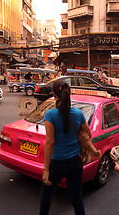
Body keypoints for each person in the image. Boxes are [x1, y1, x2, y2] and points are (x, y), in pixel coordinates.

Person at [40, 80, 89, 215]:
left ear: (54, 95)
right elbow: (88, 134)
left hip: (56, 164)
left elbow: (50, 142)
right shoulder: (78, 113)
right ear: (69, 93)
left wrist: (45, 169)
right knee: (76, 197)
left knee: (46, 196)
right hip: (75, 161)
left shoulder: (50, 114)